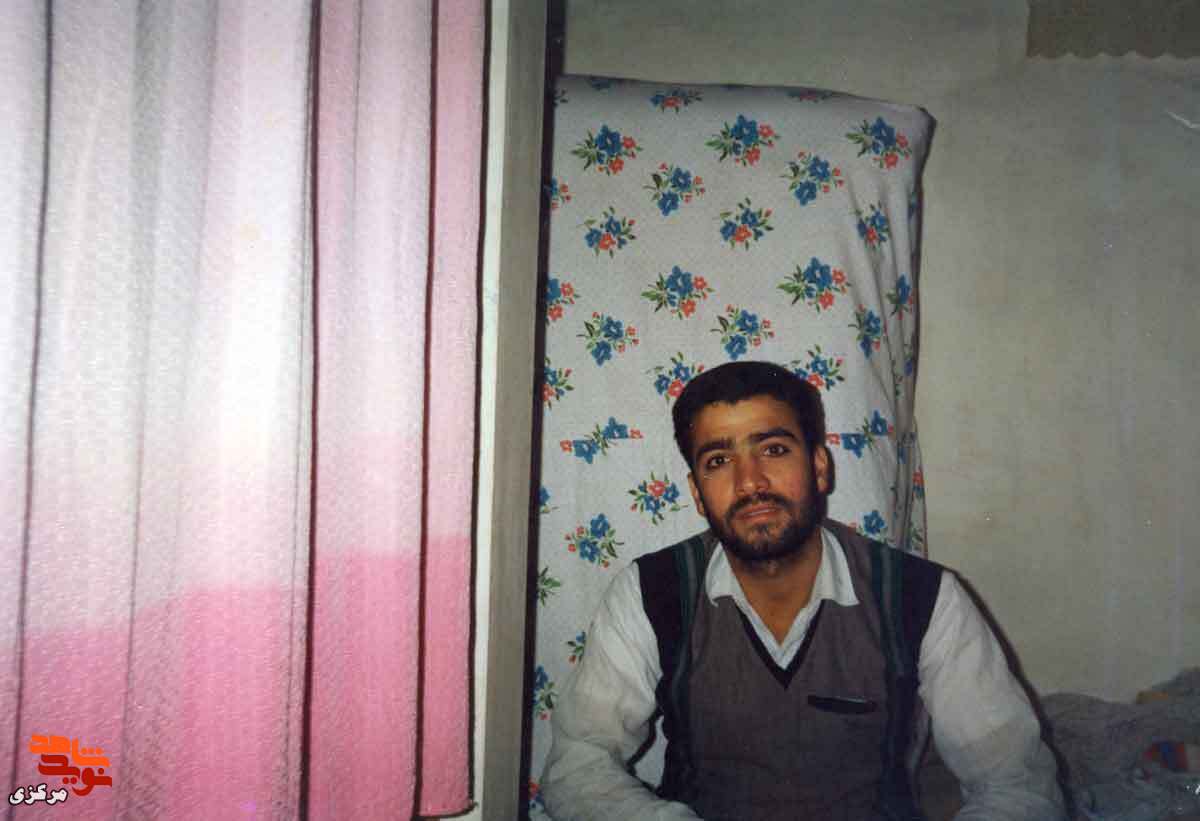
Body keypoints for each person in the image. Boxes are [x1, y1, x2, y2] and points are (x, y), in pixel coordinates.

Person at [540, 360, 1065, 820]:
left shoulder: (922, 597)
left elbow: (1016, 782)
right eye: (718, 460)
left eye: (773, 449)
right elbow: (578, 763)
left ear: (818, 466)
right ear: (697, 493)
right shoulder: (651, 593)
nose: (750, 482)